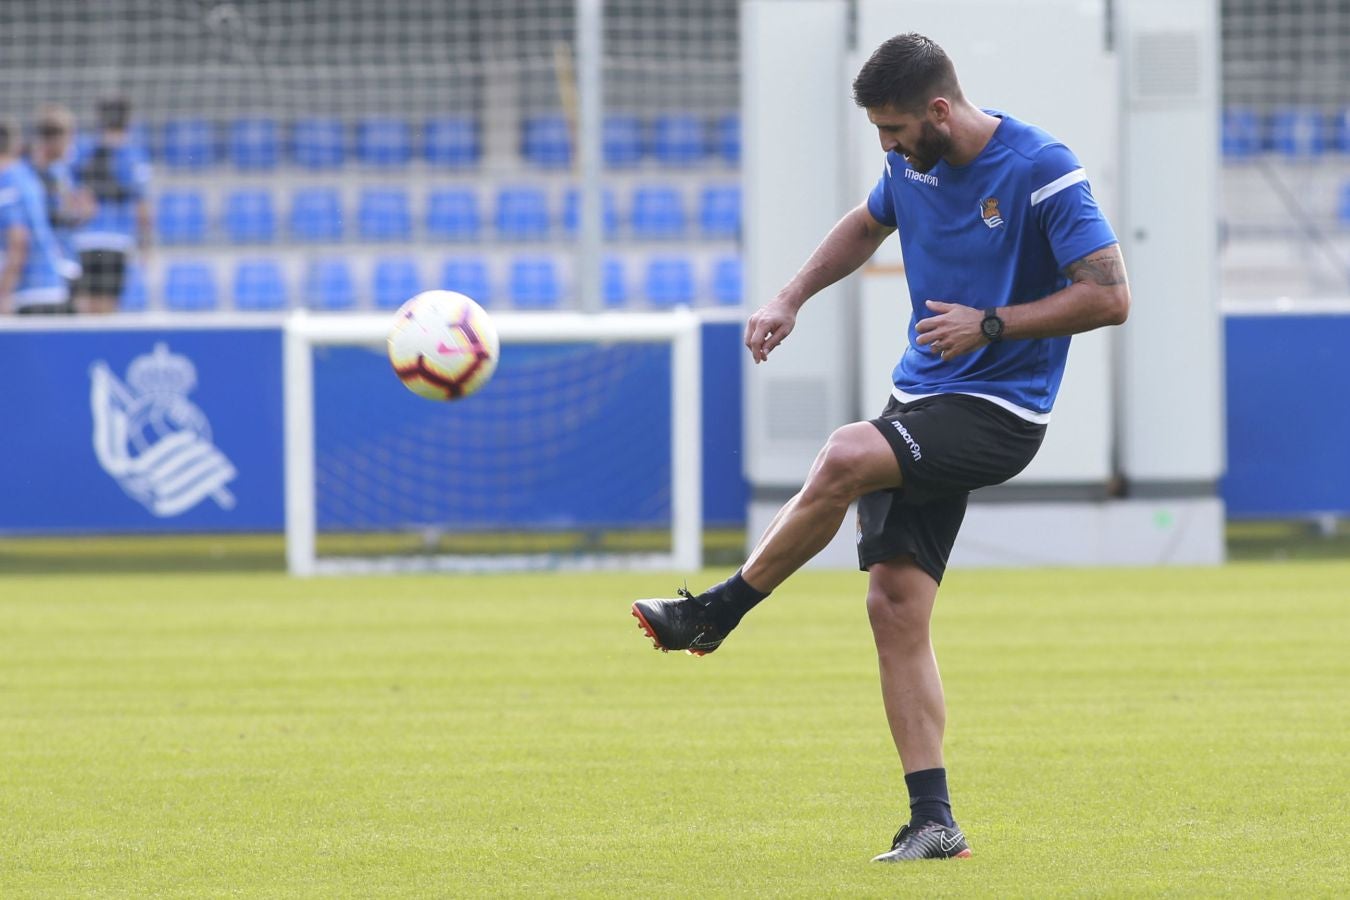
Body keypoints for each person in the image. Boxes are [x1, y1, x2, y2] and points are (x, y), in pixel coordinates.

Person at [631, 33, 1130, 863]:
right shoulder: (909, 165)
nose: (888, 148)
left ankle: (716, 612)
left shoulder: (1043, 167)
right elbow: (867, 224)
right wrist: (789, 297)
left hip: (1000, 411)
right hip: (923, 397)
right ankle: (934, 822)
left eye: (894, 130)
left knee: (843, 455)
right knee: (893, 606)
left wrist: (993, 324)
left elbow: (1109, 296)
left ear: (939, 109)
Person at [72, 95, 151, 313]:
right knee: (107, 308)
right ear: (128, 120)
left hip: (83, 240)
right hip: (117, 241)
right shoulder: (133, 155)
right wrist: (146, 247)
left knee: (82, 305)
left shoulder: (83, 150)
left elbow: (69, 191)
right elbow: (142, 206)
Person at [0, 117, 73, 315]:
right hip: (51, 286)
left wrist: (3, 293)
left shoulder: (6, 184)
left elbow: (18, 241)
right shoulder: (25, 176)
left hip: (31, 293)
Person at [28, 104, 94, 300]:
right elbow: (45, 219)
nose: (71, 143)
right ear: (54, 138)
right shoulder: (33, 176)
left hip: (66, 260)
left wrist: (82, 213)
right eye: (68, 136)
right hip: (48, 269)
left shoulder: (62, 172)